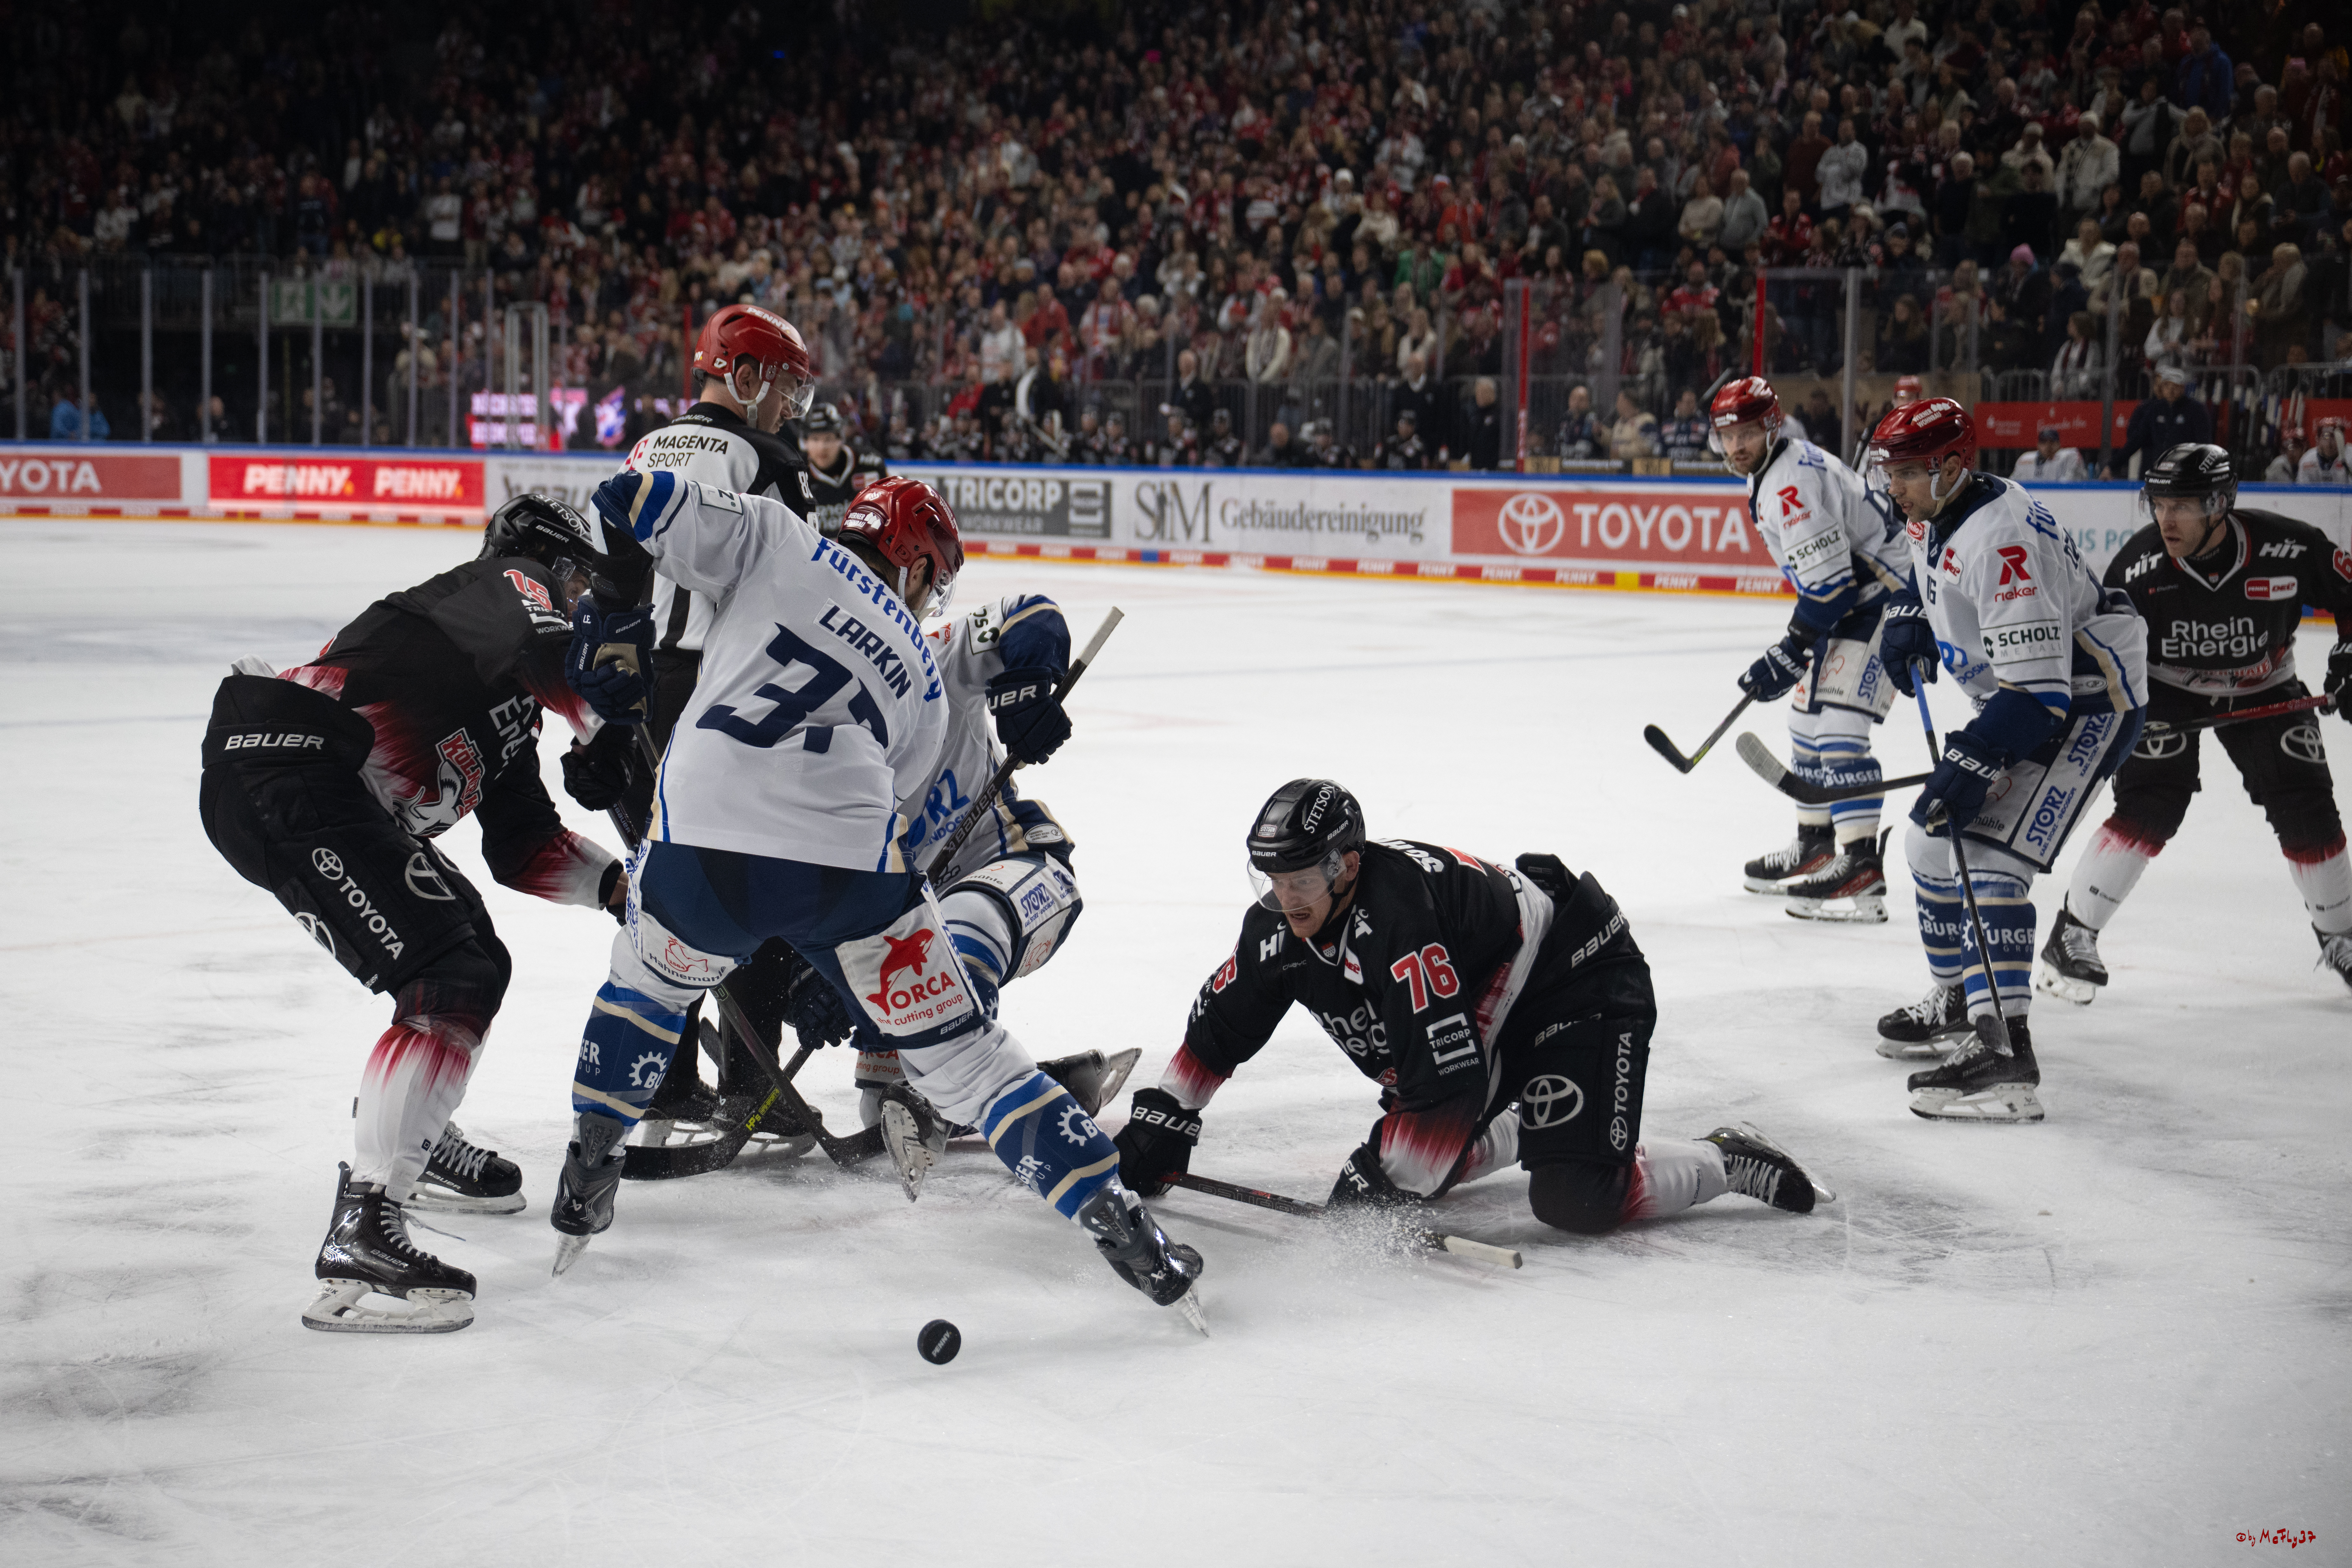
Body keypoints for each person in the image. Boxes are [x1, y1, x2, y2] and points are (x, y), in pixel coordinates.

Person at [556, 470, 1206, 1321]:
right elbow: (872, 812)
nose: (934, 592)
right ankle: (1125, 1231)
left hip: (701, 843)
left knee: (646, 984)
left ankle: (589, 1171)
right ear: (911, 556)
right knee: (971, 1059)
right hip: (850, 874)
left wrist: (612, 626)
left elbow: (625, 498)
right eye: (934, 574)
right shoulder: (920, 669)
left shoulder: (774, 536)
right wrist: (841, 956)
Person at [198, 495, 633, 1333]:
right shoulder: (506, 585)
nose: (582, 597)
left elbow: (525, 846)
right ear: (549, 560)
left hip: (313, 785)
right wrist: (613, 718)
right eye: (579, 578)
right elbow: (560, 650)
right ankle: (364, 1223)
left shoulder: (503, 697)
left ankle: (413, 1144)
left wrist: (620, 887)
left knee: (474, 951)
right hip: (290, 767)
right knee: (448, 971)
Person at [1111, 780, 1830, 1236]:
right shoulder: (1278, 924)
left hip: (1573, 978)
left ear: (1348, 865)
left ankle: (1724, 1157)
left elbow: (1443, 1082)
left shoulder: (1398, 923)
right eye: (1273, 876)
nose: (1286, 894)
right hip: (1489, 995)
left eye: (1302, 875)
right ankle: (1536, 1122)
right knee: (1424, 1165)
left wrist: (1382, 1181)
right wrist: (1168, 1112)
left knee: (1577, 1198)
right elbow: (1222, 1022)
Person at [571, 304, 823, 1132]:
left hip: (646, 689)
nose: (789, 402)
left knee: (665, 882)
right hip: (735, 692)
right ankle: (754, 1080)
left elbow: (614, 576)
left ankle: (666, 1078)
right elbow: (808, 590)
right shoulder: (768, 456)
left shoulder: (646, 449)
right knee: (760, 872)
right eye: (783, 384)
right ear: (744, 375)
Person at [1867, 399, 2148, 1121]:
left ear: (1950, 466)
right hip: (2035, 694)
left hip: (2085, 700)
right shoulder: (1948, 505)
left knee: (1990, 860)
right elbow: (1932, 577)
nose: (1891, 486)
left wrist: (1971, 760)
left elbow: (2039, 697)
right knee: (1931, 841)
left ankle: (2004, 1052)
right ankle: (1964, 999)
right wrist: (1908, 613)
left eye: (1903, 472)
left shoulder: (2001, 540)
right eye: (1889, 469)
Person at [2040, 445, 2352, 1003]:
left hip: (2264, 684)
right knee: (2151, 800)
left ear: (2220, 503)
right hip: (2165, 690)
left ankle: (2342, 934)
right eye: (2158, 503)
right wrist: (2103, 710)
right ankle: (2073, 932)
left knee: (2305, 801)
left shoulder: (2291, 546)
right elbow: (2099, 647)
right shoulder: (2138, 567)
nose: (2166, 519)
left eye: (2182, 505)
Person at [1713, 377, 1908, 919]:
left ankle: (1861, 868)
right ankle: (1816, 845)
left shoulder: (1787, 483)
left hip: (1890, 600)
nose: (1735, 447)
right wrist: (1796, 646)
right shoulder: (1778, 468)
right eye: (1726, 437)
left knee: (1840, 727)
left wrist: (1790, 647)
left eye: (1747, 433)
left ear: (1770, 428)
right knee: (1805, 722)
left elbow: (1831, 584)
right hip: (1858, 600)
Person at [797, 401, 889, 535]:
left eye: (828, 439)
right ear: (805, 442)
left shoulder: (870, 464)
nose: (822, 447)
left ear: (841, 438)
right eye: (815, 439)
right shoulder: (796, 473)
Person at [2107, 366, 2210, 476]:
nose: (2171, 391)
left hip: (2184, 475)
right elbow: (2136, 441)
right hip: (2156, 474)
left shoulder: (2195, 410)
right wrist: (2112, 467)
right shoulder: (2155, 410)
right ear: (2162, 388)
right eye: (2167, 385)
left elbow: (2204, 444)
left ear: (2183, 388)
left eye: (2175, 386)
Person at [2013, 424, 2089, 482]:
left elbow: (2068, 484)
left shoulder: (2070, 457)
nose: (2048, 446)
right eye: (2044, 442)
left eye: (2052, 442)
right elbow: (2014, 482)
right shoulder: (2025, 459)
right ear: (2038, 445)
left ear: (2059, 445)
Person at [2297, 418, 2352, 483]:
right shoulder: (2307, 460)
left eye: (2335, 437)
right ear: (2318, 439)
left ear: (2343, 439)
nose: (2330, 443)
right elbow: (2303, 491)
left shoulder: (2350, 457)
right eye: (2326, 437)